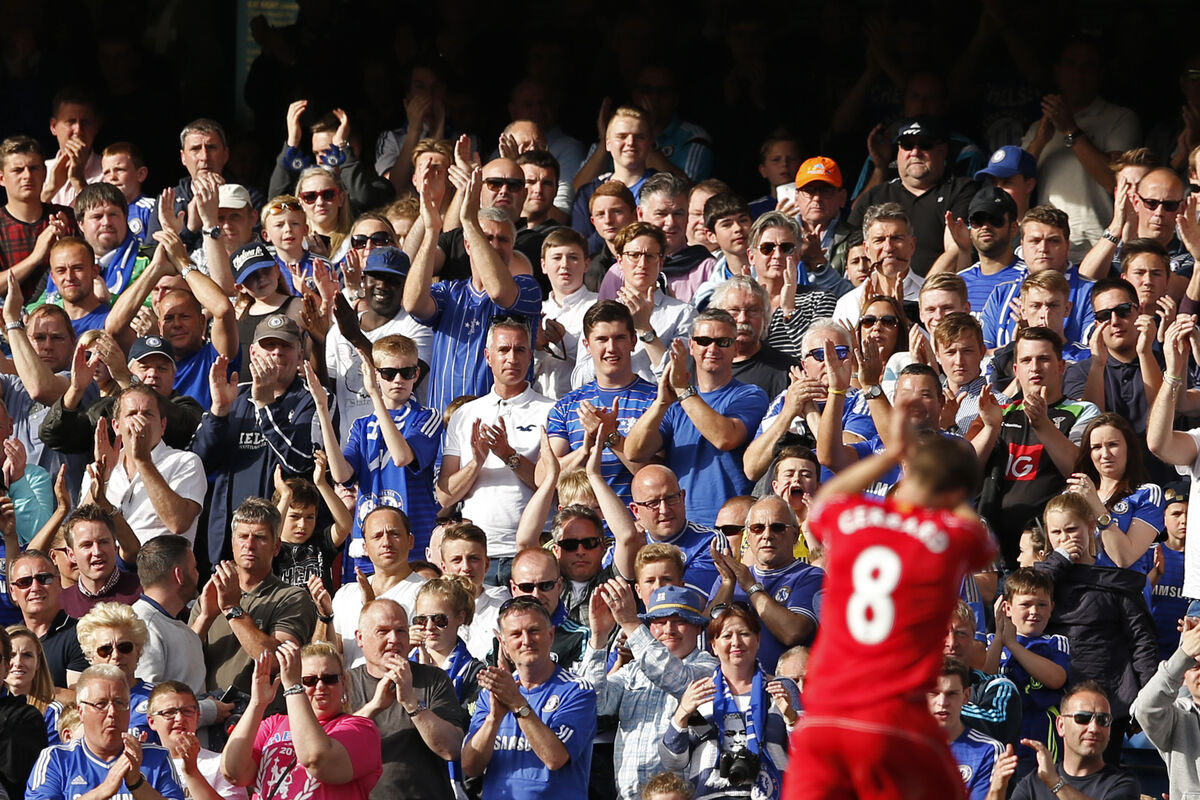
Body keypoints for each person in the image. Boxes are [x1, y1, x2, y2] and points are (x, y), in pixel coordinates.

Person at [784, 396, 995, 800]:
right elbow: (981, 544)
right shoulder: (949, 535)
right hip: (895, 721)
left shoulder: (853, 519)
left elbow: (824, 502)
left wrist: (892, 454)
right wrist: (953, 483)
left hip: (826, 715)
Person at [404, 165, 541, 413]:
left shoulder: (526, 288)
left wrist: (469, 221)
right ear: (468, 245)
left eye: (503, 239)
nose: (494, 245)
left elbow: (498, 291)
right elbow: (413, 303)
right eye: (486, 237)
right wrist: (432, 232)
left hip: (502, 423)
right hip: (446, 425)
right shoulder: (449, 292)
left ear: (513, 246)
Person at [1034, 492, 1158, 763]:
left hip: (1108, 697)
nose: (1064, 538)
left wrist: (1147, 700)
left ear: (1091, 527)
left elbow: (1142, 643)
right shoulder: (1044, 580)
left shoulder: (1116, 582)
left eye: (1071, 530)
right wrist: (1060, 561)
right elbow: (1025, 597)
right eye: (1056, 532)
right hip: (1052, 698)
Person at [191, 313, 316, 567]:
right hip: (227, 545)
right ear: (252, 353)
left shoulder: (315, 399)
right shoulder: (234, 395)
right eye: (269, 345)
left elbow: (301, 463)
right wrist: (218, 412)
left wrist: (266, 405)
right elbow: (197, 464)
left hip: (285, 551)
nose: (277, 352)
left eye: (285, 346)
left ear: (300, 355)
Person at [625, 309, 769, 527]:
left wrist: (683, 391)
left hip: (731, 528)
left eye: (723, 342)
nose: (712, 348)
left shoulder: (750, 395)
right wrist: (661, 403)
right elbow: (634, 451)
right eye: (703, 341)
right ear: (692, 346)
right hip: (682, 528)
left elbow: (725, 438)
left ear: (735, 348)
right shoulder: (675, 404)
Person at [582, 581, 719, 800]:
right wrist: (598, 638)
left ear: (698, 627)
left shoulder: (710, 667)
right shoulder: (633, 670)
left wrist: (629, 623)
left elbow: (676, 679)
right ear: (649, 628)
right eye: (660, 622)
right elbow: (593, 703)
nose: (668, 630)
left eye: (679, 621)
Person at [314, 333, 441, 569]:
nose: (398, 380)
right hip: (369, 541)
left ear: (417, 374)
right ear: (376, 375)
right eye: (389, 373)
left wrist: (375, 395)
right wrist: (322, 409)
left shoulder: (427, 417)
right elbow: (341, 475)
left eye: (407, 372)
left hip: (414, 540)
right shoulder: (362, 425)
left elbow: (401, 457)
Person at [976, 326, 1099, 567]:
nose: (1035, 367)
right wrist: (990, 428)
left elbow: (1081, 472)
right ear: (1016, 370)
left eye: (1043, 359)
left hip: (1052, 553)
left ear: (1061, 367)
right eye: (1026, 360)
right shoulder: (1000, 412)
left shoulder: (1082, 410)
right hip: (994, 554)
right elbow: (965, 472)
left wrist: (1043, 425)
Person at [440, 316, 552, 576]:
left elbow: (551, 484)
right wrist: (476, 463)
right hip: (477, 555)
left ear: (530, 356)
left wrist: (508, 455)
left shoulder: (551, 410)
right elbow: (445, 495)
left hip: (532, 551)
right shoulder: (464, 414)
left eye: (520, 350)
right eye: (503, 350)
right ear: (488, 356)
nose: (512, 358)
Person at [461, 595, 598, 799]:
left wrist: (517, 703)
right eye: (516, 634)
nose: (526, 641)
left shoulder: (577, 691)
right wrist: (493, 719)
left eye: (534, 631)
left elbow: (555, 758)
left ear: (551, 635)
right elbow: (470, 767)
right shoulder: (491, 693)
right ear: (503, 643)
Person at [660, 602, 796, 800]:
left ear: (758, 640)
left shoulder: (781, 688)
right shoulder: (699, 693)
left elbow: (809, 753)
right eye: (726, 636)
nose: (736, 642)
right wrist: (681, 714)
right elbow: (673, 762)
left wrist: (791, 718)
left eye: (744, 634)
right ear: (713, 646)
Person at [1022, 39, 1140, 261]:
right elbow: (1016, 183)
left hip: (1101, 243)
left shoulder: (1120, 118)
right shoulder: (1040, 126)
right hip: (1046, 247)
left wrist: (1070, 130)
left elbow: (1114, 181)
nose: (1078, 73)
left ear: (1100, 74)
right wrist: (1040, 140)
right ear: (1057, 71)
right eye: (1070, 64)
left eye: (1088, 66)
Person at [221, 641, 383, 799]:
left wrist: (293, 687)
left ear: (343, 683)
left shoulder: (362, 729)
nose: (320, 686)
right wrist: (257, 703)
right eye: (309, 680)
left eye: (329, 679)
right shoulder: (273, 724)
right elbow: (233, 772)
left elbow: (316, 760)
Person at [189, 498, 316, 697]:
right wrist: (204, 618)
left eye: (260, 537)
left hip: (266, 713)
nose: (249, 545)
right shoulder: (212, 594)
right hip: (209, 710)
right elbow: (183, 661)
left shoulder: (292, 598)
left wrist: (232, 609)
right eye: (243, 536)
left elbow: (277, 661)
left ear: (276, 547)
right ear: (232, 543)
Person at [346, 598, 467, 800]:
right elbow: (328, 749)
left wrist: (411, 702)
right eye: (383, 631)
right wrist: (373, 707)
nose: (394, 639)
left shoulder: (434, 679)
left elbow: (451, 749)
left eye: (401, 630)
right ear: (360, 638)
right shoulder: (344, 683)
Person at [545, 300, 657, 506]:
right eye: (602, 339)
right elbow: (543, 478)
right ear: (587, 345)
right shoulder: (567, 406)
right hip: (582, 523)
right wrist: (584, 450)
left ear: (633, 341)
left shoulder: (655, 401)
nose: (611, 348)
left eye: (619, 338)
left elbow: (656, 475)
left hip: (635, 522)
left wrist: (611, 437)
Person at [26, 664, 182, 800]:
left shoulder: (157, 757)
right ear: (81, 711)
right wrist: (103, 791)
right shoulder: (56, 759)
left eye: (119, 703)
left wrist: (137, 784)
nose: (112, 712)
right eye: (101, 704)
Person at [848, 116, 978, 276]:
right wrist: (880, 168)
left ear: (943, 150)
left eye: (925, 145)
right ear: (898, 151)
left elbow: (956, 249)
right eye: (907, 145)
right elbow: (853, 249)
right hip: (881, 289)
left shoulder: (962, 189)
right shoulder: (876, 195)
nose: (915, 152)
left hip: (936, 289)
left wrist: (924, 289)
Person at [707, 495, 823, 673]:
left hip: (787, 685)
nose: (767, 535)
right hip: (736, 686)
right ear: (748, 536)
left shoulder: (811, 576)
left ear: (795, 535)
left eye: (778, 528)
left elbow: (793, 633)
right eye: (757, 528)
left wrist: (750, 587)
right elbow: (706, 635)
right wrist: (728, 584)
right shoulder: (729, 578)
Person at [79, 384, 205, 546]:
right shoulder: (98, 467)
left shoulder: (185, 462)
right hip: (109, 561)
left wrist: (143, 461)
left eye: (148, 414)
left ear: (163, 426)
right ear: (117, 427)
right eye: (132, 414)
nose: (140, 421)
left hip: (159, 561)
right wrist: (104, 478)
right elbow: (81, 528)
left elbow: (178, 522)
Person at [572, 221, 694, 387]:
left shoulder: (683, 313)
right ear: (620, 261)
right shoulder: (600, 314)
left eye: (650, 256)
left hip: (659, 401)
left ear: (661, 263)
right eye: (634, 255)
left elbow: (678, 380)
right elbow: (578, 381)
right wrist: (608, 351)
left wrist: (645, 330)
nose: (642, 264)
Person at [982, 568, 1070, 778]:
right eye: (1026, 604)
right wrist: (1000, 638)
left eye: (1042, 605)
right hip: (1000, 736)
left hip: (1040, 737)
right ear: (1007, 608)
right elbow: (984, 679)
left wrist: (1013, 645)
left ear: (1052, 608)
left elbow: (1056, 679)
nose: (1034, 611)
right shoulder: (990, 642)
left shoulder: (1056, 642)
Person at [978, 205, 1096, 351]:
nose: (1043, 248)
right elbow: (980, 355)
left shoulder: (1092, 293)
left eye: (1053, 241)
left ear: (1067, 246)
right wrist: (1016, 347)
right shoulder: (1002, 293)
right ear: (1022, 245)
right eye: (1035, 241)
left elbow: (1092, 354)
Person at [131, 535, 218, 726]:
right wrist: (212, 710)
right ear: (179, 574)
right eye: (194, 568)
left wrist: (206, 616)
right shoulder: (142, 625)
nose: (198, 575)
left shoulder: (169, 622)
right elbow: (146, 704)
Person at [1003, 682, 1140, 799]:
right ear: (1061, 725)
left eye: (1103, 720)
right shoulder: (1033, 783)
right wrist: (997, 790)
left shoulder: (1122, 784)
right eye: (1083, 718)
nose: (1094, 728)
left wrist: (1055, 783)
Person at [598, 173, 716, 305]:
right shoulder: (619, 272)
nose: (670, 222)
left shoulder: (707, 269)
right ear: (640, 214)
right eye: (661, 214)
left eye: (678, 214)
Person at [1069, 413, 1163, 572]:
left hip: (1122, 585)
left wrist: (1096, 506)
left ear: (1129, 449)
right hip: (1077, 584)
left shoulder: (1147, 494)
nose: (1105, 454)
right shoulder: (1073, 494)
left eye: (1112, 444)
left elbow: (1124, 558)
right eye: (1096, 447)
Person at [752, 212, 838, 362]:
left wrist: (789, 310)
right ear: (751, 256)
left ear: (798, 257)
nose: (777, 255)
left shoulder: (820, 299)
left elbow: (819, 357)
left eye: (786, 248)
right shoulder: (736, 304)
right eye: (767, 248)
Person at [0, 135, 79, 297]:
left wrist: (64, 246)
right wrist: (36, 257)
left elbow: (90, 271)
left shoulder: (67, 217)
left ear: (44, 173)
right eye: (17, 170)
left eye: (34, 168)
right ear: (2, 178)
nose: (27, 176)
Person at [1131, 614, 1200, 798]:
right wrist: (1184, 654)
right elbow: (1144, 708)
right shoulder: (1178, 719)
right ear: (1183, 678)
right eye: (1194, 666)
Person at [145, 681, 247, 800]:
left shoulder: (220, 765)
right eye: (169, 713)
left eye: (187, 711)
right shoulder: (143, 767)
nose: (179, 718)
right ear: (152, 722)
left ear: (197, 717)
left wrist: (192, 771)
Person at [76, 602, 156, 742]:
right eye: (105, 650)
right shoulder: (83, 701)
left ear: (138, 651)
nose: (116, 655)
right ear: (91, 656)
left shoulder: (157, 698)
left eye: (124, 647)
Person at [833, 203, 925, 325]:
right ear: (867, 249)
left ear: (912, 245)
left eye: (897, 238)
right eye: (879, 240)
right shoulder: (848, 304)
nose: (888, 247)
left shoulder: (933, 296)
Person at [9, 549, 88, 688]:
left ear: (59, 582)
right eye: (24, 582)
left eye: (44, 578)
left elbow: (80, 697)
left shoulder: (80, 635)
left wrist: (26, 689)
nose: (35, 587)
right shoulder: (8, 640)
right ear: (12, 592)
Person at [927, 657, 1004, 800]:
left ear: (966, 696)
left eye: (951, 694)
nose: (942, 702)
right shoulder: (904, 746)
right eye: (934, 693)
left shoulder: (988, 750)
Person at [710, 277, 795, 401]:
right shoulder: (698, 361)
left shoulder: (787, 371)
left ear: (765, 319)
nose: (743, 319)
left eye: (753, 311)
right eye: (734, 310)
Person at [60, 504, 141, 618]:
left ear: (115, 547)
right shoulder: (60, 605)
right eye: (87, 545)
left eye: (103, 542)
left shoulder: (143, 593)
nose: (97, 552)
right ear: (71, 554)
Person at [6, 624, 61, 743]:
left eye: (27, 655)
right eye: (11, 655)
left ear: (38, 663)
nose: (18, 662)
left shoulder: (52, 712)